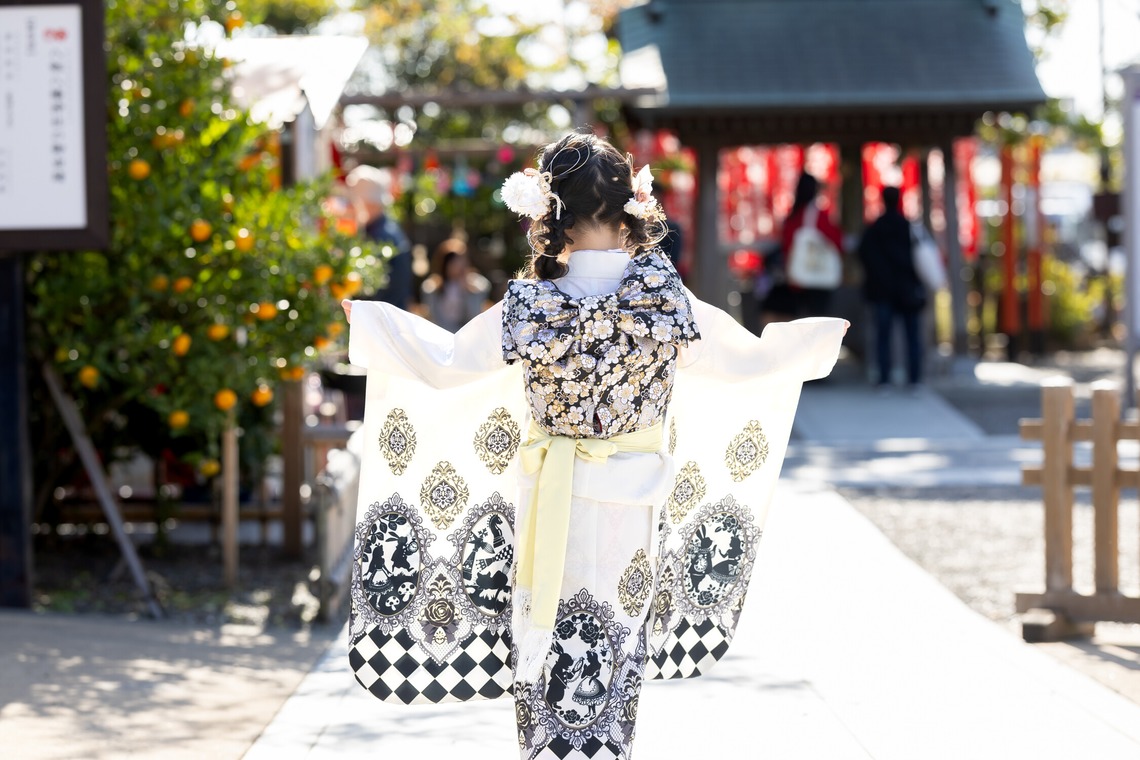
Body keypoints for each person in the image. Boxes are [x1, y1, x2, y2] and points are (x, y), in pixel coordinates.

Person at [342, 131, 847, 759]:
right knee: (614, 650)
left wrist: (371, 323)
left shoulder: (531, 301)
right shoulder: (662, 297)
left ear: (551, 214)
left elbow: (445, 362)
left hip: (549, 495)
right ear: (630, 206)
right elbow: (745, 362)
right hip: (632, 505)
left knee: (546, 639)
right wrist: (817, 342)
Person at [858, 186, 927, 389]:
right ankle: (914, 379)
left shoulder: (874, 228)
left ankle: (884, 379)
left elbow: (864, 255)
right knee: (912, 337)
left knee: (883, 336)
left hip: (882, 291)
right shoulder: (909, 228)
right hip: (907, 290)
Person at [345, 165, 413, 310]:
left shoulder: (382, 237)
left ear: (367, 203)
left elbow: (371, 290)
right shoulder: (385, 230)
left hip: (383, 323)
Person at [778, 172, 845, 317]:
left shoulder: (792, 217)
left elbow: (787, 247)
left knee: (801, 322)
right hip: (820, 280)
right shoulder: (820, 216)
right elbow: (838, 243)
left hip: (798, 280)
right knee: (820, 322)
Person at [420, 238, 491, 332]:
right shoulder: (431, 288)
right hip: (442, 334)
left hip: (467, 336)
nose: (459, 265)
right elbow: (433, 319)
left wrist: (466, 292)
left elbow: (475, 317)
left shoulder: (479, 286)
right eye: (454, 261)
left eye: (461, 260)